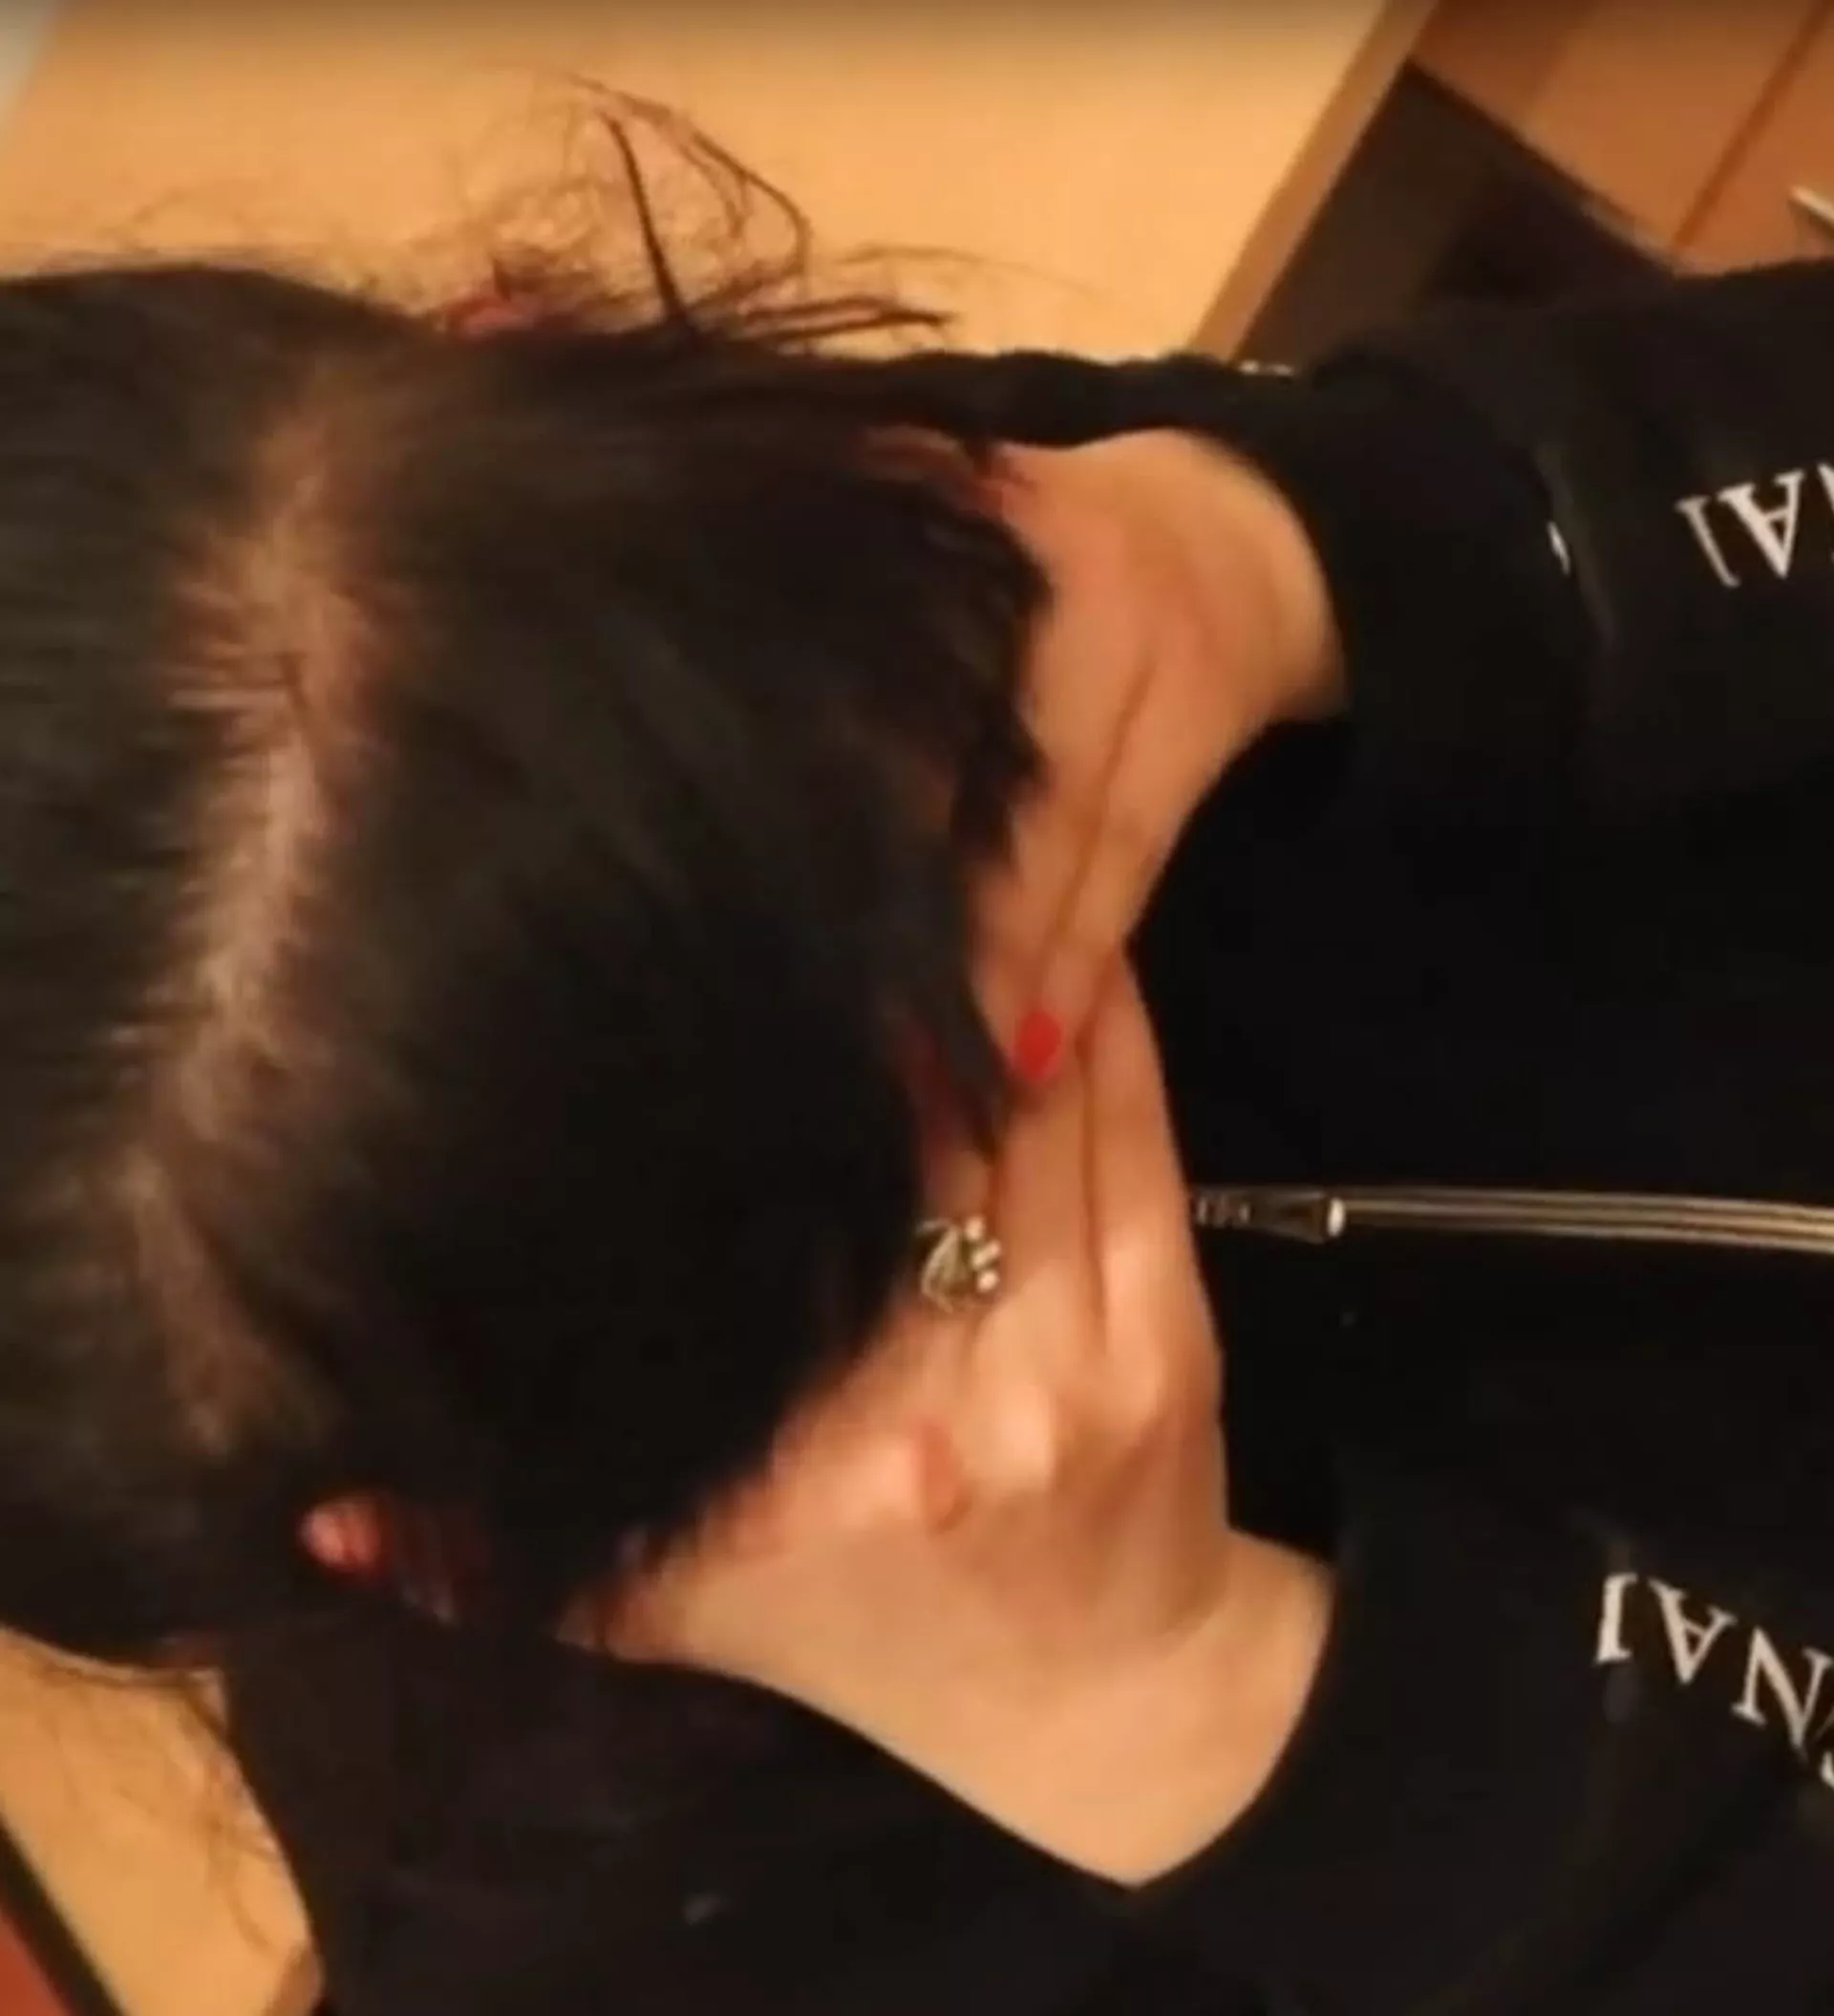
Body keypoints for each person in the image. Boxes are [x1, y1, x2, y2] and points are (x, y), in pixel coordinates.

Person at [1, 103, 1834, 2008]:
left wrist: (1337, 537)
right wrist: (1243, 1727)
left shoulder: (831, 581)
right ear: (430, 1546)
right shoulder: (619, 1939)